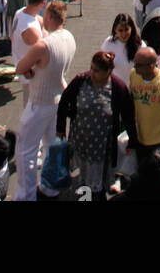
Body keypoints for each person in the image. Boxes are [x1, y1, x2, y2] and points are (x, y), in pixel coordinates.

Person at [14, 0, 77, 201]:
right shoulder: (69, 38)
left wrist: (32, 68)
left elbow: (20, 68)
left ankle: (26, 195)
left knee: (25, 150)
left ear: (49, 17)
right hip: (58, 100)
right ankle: (50, 188)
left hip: (40, 101)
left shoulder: (43, 45)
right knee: (51, 144)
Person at [57, 49, 137, 200]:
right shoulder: (81, 80)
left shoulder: (118, 87)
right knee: (84, 178)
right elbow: (64, 102)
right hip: (81, 141)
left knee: (97, 184)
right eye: (91, 68)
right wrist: (60, 129)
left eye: (97, 71)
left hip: (102, 148)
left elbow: (127, 115)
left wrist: (133, 140)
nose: (92, 73)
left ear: (108, 71)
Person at [10, 0, 48, 100]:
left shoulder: (20, 12)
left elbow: (39, 20)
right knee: (31, 109)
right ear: (43, 2)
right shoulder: (32, 31)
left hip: (22, 65)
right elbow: (43, 54)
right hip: (30, 76)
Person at [101, 13, 142, 86]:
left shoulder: (140, 45)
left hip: (134, 88)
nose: (124, 34)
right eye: (120, 30)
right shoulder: (108, 43)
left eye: (126, 30)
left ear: (131, 29)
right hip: (115, 88)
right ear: (115, 30)